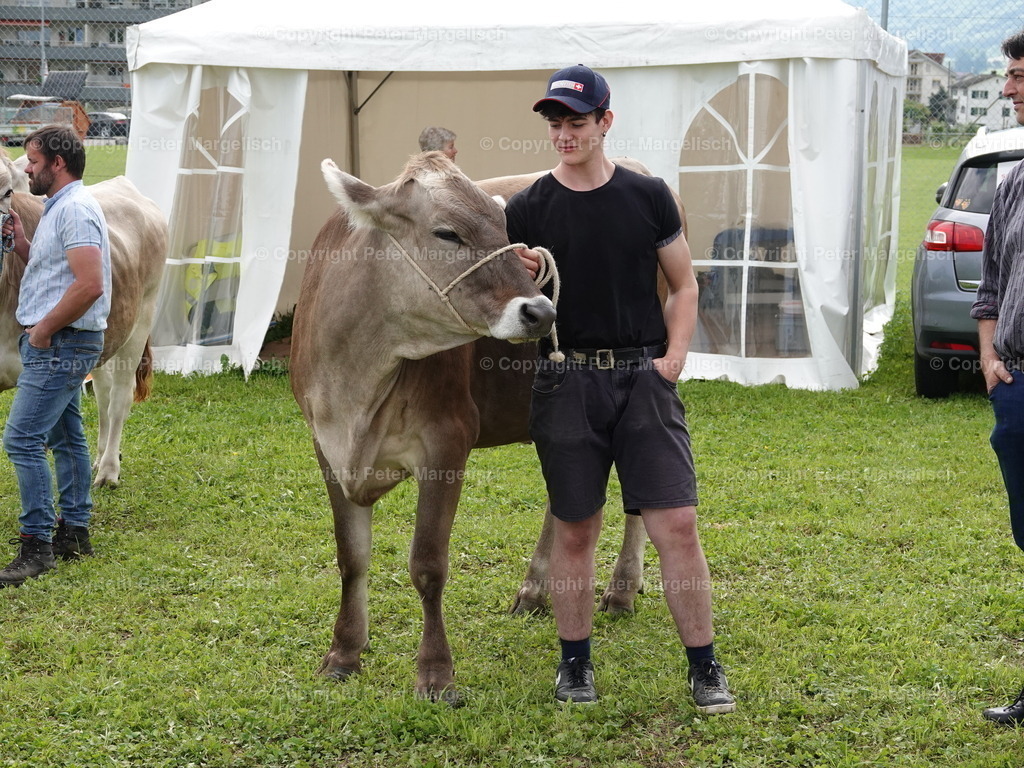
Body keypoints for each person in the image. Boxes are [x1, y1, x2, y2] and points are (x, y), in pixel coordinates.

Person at [506, 65, 735, 714]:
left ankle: (705, 667)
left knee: (679, 526)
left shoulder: (649, 196)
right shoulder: (527, 209)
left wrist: (674, 359)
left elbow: (685, 285)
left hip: (643, 380)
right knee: (575, 532)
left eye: (577, 122)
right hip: (566, 380)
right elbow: (512, 311)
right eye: (556, 124)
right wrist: (523, 277)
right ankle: (574, 666)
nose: (565, 134)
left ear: (606, 122)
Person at [0, 124, 111, 588]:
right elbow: (55, 270)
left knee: (21, 440)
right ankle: (75, 533)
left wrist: (42, 330)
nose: (27, 168)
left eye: (33, 160)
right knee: (67, 439)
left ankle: (37, 545)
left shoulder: (77, 212)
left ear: (57, 164)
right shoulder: (60, 208)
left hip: (61, 341)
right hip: (60, 340)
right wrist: (24, 241)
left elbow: (90, 283)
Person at [972, 30, 1024, 726]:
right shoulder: (1012, 181)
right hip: (1019, 388)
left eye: (1019, 75)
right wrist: (989, 360)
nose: (1009, 88)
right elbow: (989, 286)